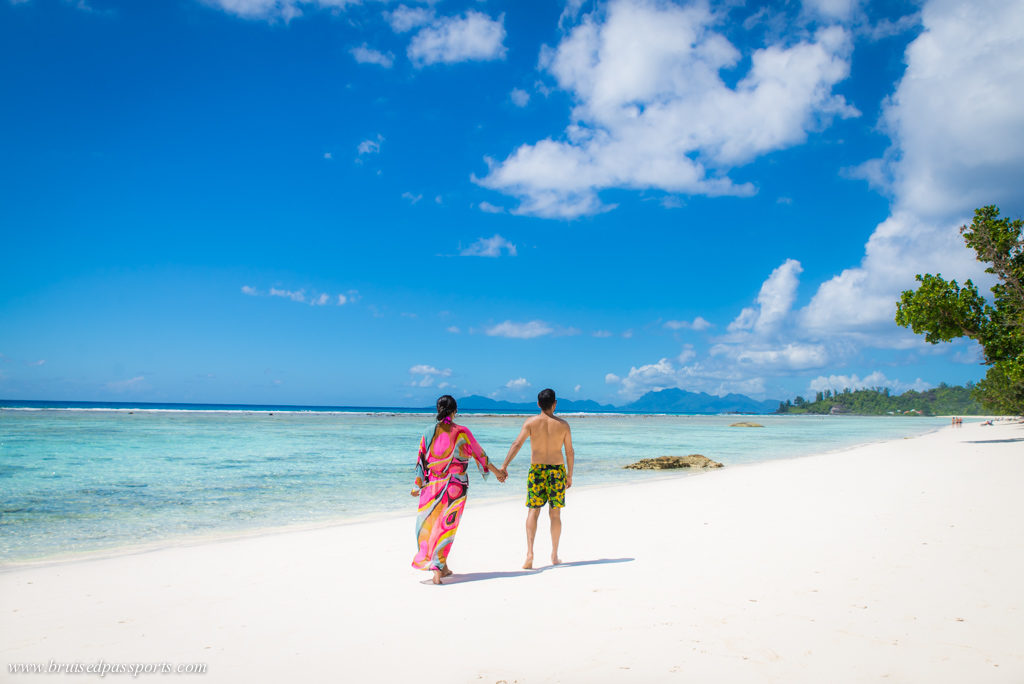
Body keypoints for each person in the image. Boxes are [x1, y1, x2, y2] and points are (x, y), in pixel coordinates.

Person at [411, 395, 506, 585]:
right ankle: (439, 568)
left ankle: (439, 567)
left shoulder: (428, 432)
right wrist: (498, 473)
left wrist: (417, 485)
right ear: (455, 411)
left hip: (432, 487)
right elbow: (481, 456)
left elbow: (421, 460)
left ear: (438, 410)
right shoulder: (462, 432)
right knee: (447, 528)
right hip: (456, 487)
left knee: (431, 527)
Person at [499, 388, 575, 570]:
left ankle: (530, 553)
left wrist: (504, 466)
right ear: (555, 404)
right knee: (555, 513)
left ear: (538, 404)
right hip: (557, 471)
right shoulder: (563, 425)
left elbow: (517, 444)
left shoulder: (531, 422)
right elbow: (569, 451)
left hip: (537, 471)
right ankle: (554, 555)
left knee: (533, 511)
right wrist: (570, 475)